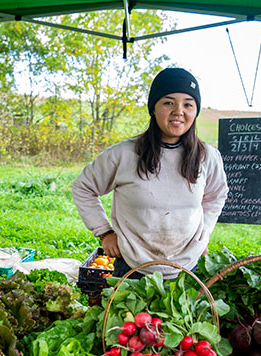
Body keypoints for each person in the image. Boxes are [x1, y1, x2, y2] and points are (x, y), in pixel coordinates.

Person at [71, 67, 228, 279]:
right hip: (132, 269)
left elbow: (216, 195)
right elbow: (83, 187)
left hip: (187, 270)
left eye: (188, 104)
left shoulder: (207, 156)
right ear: (153, 108)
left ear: (195, 111)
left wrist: (204, 234)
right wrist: (104, 233)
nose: (178, 111)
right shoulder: (124, 154)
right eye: (168, 102)